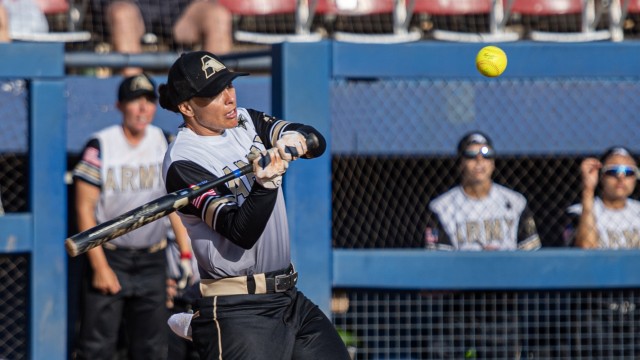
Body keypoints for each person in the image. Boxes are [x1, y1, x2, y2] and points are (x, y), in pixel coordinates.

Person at [158, 50, 350, 360]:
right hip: (238, 309)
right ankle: (206, 326)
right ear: (186, 107)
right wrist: (266, 185)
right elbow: (240, 231)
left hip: (288, 299)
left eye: (228, 85)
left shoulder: (246, 121)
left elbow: (316, 141)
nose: (229, 97)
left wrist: (296, 139)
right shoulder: (182, 161)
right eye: (214, 93)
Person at [72, 73, 192, 360]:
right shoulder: (100, 145)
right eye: (134, 101)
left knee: (152, 347)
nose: (142, 108)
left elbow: (173, 204)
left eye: (149, 101)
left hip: (152, 260)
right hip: (112, 255)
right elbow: (84, 208)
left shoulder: (166, 141)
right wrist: (100, 267)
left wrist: (186, 254)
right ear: (119, 106)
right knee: (97, 346)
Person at [425, 131, 541, 251]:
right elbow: (439, 262)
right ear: (460, 164)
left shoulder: (516, 202)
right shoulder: (441, 207)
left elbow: (531, 253)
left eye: (486, 154)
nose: (479, 159)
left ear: (493, 163)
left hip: (507, 269)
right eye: (471, 154)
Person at [92, 0, 233, 76]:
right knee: (122, 15)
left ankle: (214, 95)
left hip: (178, 7)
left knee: (218, 16)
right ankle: (136, 97)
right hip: (127, 5)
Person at [564, 146, 640, 248]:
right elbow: (587, 247)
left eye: (629, 172)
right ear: (601, 176)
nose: (620, 177)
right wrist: (588, 190)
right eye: (613, 171)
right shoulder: (578, 212)